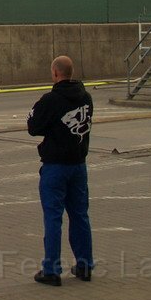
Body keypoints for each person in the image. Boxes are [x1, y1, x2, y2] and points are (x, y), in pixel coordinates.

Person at [27, 55, 93, 286]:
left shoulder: (51, 100)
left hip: (55, 166)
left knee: (53, 218)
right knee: (80, 215)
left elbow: (33, 127)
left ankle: (52, 269)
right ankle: (84, 265)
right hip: (78, 165)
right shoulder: (86, 97)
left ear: (55, 74)